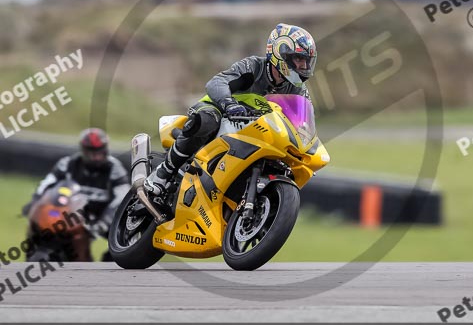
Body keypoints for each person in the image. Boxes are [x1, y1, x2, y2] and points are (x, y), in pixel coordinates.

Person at [144, 23, 317, 199]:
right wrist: (229, 103)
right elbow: (216, 83)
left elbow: (303, 121)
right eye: (298, 59)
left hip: (256, 131)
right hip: (221, 110)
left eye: (306, 61)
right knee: (208, 120)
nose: (303, 65)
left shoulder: (298, 89)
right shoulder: (253, 66)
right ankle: (162, 174)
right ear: (281, 53)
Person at [24, 128, 129, 257]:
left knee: (123, 240)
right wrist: (35, 202)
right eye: (91, 152)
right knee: (41, 226)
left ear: (105, 149)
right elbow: (46, 184)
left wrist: (104, 222)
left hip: (103, 214)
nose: (95, 156)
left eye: (99, 151)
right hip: (72, 214)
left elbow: (122, 198)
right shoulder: (67, 164)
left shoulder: (115, 169)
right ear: (83, 150)